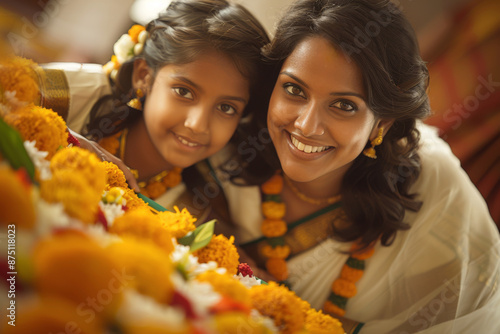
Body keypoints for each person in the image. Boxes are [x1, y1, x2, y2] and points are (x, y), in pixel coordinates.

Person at [210, 0, 500, 332]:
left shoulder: (436, 192)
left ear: (382, 124)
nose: (306, 125)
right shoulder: (227, 132)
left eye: (344, 105)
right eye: (294, 89)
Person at [38, 0, 271, 219]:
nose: (197, 124)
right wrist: (68, 139)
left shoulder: (185, 213)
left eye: (226, 107)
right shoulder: (77, 93)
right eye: (184, 92)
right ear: (144, 76)